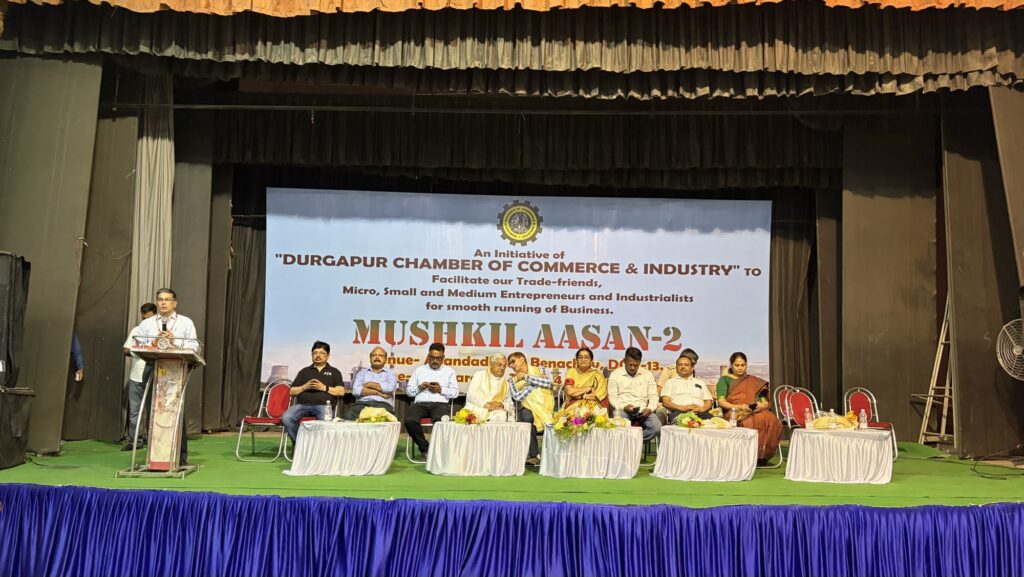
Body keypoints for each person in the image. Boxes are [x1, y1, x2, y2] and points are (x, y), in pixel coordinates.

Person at [131, 288, 198, 465]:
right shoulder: (147, 324)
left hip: (176, 369)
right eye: (160, 299)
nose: (163, 303)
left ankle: (179, 458)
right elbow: (136, 346)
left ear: (174, 303)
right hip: (152, 367)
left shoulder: (185, 322)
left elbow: (194, 346)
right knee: (153, 410)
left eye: (167, 299)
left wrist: (174, 341)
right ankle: (154, 457)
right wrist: (152, 342)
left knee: (175, 412)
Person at [716, 351, 783, 465]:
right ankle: (746, 456)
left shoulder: (754, 381)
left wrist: (761, 405)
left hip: (755, 410)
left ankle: (762, 456)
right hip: (734, 411)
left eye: (743, 365)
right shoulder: (724, 380)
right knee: (749, 422)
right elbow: (722, 402)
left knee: (771, 420)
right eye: (737, 365)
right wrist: (739, 407)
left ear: (746, 365)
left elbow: (764, 402)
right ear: (731, 365)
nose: (740, 368)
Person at [282, 341, 346, 443]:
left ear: (328, 356)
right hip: (302, 405)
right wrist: (304, 387)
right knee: (286, 417)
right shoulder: (304, 371)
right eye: (315, 353)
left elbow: (341, 391)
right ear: (311, 355)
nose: (318, 355)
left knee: (326, 423)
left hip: (324, 406)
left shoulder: (334, 372)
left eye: (321, 353)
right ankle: (300, 443)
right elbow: (292, 391)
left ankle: (317, 447)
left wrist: (324, 387)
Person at [403, 343, 458, 458]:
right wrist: (419, 388)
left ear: (443, 357)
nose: (435, 361)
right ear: (428, 356)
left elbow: (455, 392)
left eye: (438, 358)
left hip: (440, 404)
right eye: (432, 357)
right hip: (420, 404)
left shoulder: (450, 371)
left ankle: (437, 449)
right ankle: (426, 448)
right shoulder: (419, 370)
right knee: (409, 420)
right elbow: (409, 391)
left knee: (441, 421)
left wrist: (440, 389)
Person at [507, 351, 554, 466]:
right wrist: (535, 384)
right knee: (527, 418)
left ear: (522, 359)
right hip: (527, 406)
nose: (512, 366)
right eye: (510, 364)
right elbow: (517, 396)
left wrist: (526, 377)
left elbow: (548, 383)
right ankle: (534, 456)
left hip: (545, 405)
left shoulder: (540, 369)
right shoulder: (512, 381)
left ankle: (551, 455)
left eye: (513, 361)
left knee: (550, 421)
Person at [121, 302, 157, 450]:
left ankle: (153, 441)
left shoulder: (161, 332)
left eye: (148, 318)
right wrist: (140, 351)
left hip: (155, 376)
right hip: (136, 376)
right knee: (135, 411)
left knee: (154, 410)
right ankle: (135, 441)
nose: (145, 321)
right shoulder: (137, 330)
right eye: (143, 318)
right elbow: (126, 349)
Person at [607, 347, 661, 441]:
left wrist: (650, 408)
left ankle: (633, 442)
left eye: (636, 365)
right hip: (623, 410)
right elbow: (612, 397)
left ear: (640, 362)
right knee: (618, 426)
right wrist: (624, 407)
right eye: (630, 364)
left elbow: (653, 395)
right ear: (624, 361)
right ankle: (633, 444)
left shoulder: (647, 375)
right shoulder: (615, 375)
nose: (632, 368)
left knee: (657, 427)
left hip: (643, 411)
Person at [344, 347, 399, 420]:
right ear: (370, 359)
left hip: (382, 405)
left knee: (382, 420)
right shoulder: (362, 373)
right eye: (374, 355)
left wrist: (369, 384)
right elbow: (356, 391)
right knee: (348, 416)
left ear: (385, 359)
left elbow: (389, 389)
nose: (377, 357)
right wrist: (379, 393)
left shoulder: (391, 373)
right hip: (362, 404)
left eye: (380, 355)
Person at [661, 350, 713, 423]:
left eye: (686, 365)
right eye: (680, 365)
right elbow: (665, 402)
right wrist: (682, 408)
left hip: (700, 412)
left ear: (692, 368)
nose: (683, 367)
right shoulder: (670, 382)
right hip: (680, 412)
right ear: (676, 368)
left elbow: (708, 401)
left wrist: (702, 409)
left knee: (716, 423)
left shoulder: (700, 382)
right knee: (688, 423)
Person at [464, 353, 511, 422]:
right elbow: (470, 394)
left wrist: (502, 404)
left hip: (494, 413)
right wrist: (485, 404)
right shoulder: (479, 375)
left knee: (501, 415)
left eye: (504, 366)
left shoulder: (506, 384)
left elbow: (510, 403)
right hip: (477, 409)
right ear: (491, 364)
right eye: (499, 365)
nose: (502, 368)